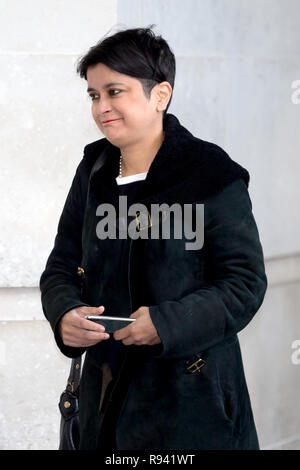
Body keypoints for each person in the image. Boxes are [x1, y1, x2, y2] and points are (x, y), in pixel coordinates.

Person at [39, 25, 268, 451]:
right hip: (104, 400)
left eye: (114, 91)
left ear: (159, 95)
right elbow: (61, 266)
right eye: (94, 95)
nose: (101, 107)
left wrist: (165, 324)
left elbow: (245, 283)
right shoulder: (92, 170)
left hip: (191, 402)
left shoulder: (210, 172)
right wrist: (64, 313)